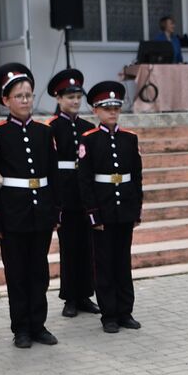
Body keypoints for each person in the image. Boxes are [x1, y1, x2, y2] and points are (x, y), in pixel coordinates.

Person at [0, 64, 60, 349]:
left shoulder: (44, 131)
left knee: (39, 271)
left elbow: (54, 174)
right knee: (16, 272)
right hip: (12, 211)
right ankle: (21, 329)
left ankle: (38, 325)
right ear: (6, 100)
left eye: (28, 95)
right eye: (19, 96)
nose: (25, 100)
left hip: (41, 210)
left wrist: (56, 210)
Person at [78, 81, 143, 333]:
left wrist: (137, 208)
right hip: (103, 210)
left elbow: (136, 176)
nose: (112, 112)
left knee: (122, 262)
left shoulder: (129, 138)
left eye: (116, 107)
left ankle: (125, 311)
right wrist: (93, 213)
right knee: (103, 264)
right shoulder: (89, 140)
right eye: (106, 108)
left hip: (124, 208)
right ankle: (109, 315)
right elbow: (84, 180)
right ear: (96, 111)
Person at [47, 69, 100, 318]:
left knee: (87, 246)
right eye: (70, 97)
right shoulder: (51, 127)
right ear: (58, 99)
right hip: (64, 192)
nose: (75, 101)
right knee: (69, 247)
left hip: (85, 193)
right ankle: (69, 297)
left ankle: (85, 295)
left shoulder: (88, 127)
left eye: (78, 96)